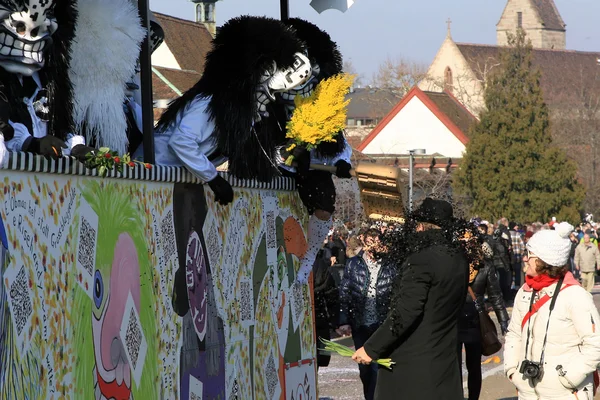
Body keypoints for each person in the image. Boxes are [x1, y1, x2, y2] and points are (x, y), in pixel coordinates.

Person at [352, 198, 470, 399]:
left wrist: (371, 348)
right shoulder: (459, 258)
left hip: (413, 368)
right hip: (445, 360)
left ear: (422, 226)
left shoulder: (421, 260)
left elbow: (406, 312)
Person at [504, 222, 600, 399]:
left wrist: (568, 378)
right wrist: (512, 370)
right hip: (527, 391)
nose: (525, 258)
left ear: (543, 260)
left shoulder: (575, 295)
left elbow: (595, 344)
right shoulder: (524, 292)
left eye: (529, 254)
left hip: (565, 392)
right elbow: (514, 333)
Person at [338, 228, 397, 400]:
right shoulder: (353, 263)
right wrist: (343, 321)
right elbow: (345, 293)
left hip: (382, 324)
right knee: (365, 371)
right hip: (360, 324)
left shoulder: (390, 264)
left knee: (377, 369)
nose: (374, 242)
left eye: (377, 238)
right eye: (370, 238)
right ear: (363, 239)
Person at [458, 239, 509, 400]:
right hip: (455, 320)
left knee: (473, 365)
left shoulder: (485, 267)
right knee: (453, 365)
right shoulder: (455, 265)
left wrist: (503, 322)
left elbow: (495, 296)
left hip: (475, 320)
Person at [312, 249, 340, 369]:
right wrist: (335, 322)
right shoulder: (321, 265)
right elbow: (332, 297)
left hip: (314, 320)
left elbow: (331, 296)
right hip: (319, 319)